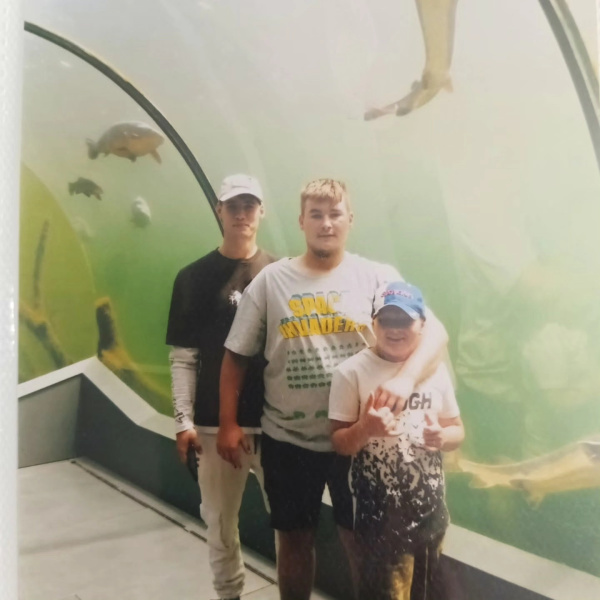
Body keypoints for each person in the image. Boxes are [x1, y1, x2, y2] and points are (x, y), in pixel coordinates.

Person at [218, 179, 448, 600]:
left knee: (362, 542)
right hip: (289, 439)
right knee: (294, 540)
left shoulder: (376, 276)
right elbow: (236, 355)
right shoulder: (271, 281)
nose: (326, 224)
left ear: (350, 220)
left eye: (335, 214)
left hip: (362, 443)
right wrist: (228, 423)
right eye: (317, 215)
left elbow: (436, 333)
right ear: (301, 221)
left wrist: (405, 379)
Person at [165, 174, 276, 600]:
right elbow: (183, 357)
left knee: (289, 523)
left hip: (276, 425)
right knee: (219, 525)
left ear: (262, 212)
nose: (241, 214)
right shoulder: (191, 278)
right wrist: (184, 422)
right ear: (219, 210)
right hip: (213, 426)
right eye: (233, 206)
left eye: (250, 205)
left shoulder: (281, 274)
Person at [330, 280, 464, 600]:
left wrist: (442, 436)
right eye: (386, 319)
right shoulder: (350, 372)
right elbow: (339, 443)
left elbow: (457, 431)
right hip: (380, 520)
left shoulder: (436, 371)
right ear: (373, 323)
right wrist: (366, 428)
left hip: (431, 513)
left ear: (422, 325)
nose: (394, 329)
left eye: (404, 320)